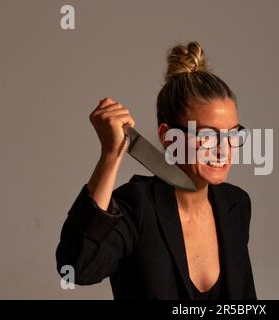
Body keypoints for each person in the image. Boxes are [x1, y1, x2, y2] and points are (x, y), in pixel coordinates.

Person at [55, 41, 257, 300]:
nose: (223, 149)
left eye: (233, 134)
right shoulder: (137, 206)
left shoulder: (236, 204)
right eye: (207, 135)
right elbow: (77, 268)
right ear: (168, 137)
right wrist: (111, 153)